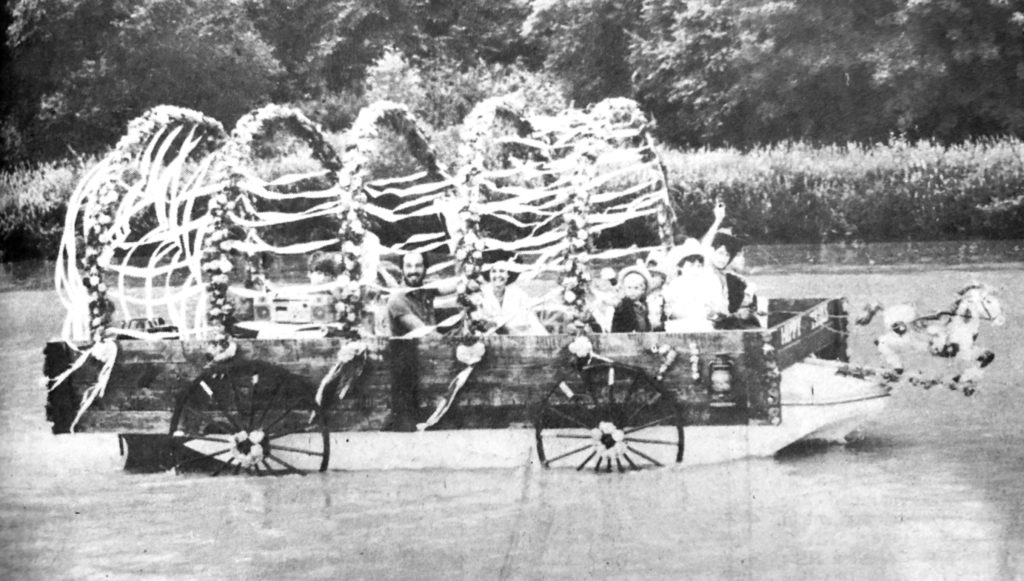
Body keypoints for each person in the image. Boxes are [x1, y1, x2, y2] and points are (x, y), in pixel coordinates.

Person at [663, 238, 728, 332]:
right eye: (691, 266)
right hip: (679, 326)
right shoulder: (675, 284)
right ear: (681, 267)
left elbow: (717, 307)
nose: (695, 270)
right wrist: (687, 312)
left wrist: (709, 311)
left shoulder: (707, 284)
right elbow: (670, 310)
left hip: (703, 325)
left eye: (699, 266)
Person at [709, 229, 761, 329]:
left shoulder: (727, 276)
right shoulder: (707, 273)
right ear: (712, 251)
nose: (723, 259)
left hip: (726, 318)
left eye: (727, 255)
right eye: (720, 253)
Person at [480, 260, 548, 335]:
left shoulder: (518, 294)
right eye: (493, 271)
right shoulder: (481, 293)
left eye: (502, 271)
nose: (498, 275)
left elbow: (531, 318)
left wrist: (544, 335)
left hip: (513, 336)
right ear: (489, 275)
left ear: (508, 275)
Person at [611, 265, 653, 333]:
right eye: (629, 288)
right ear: (625, 289)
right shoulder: (623, 305)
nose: (632, 291)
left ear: (642, 290)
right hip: (625, 336)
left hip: (642, 335)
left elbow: (646, 320)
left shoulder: (643, 305)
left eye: (636, 288)